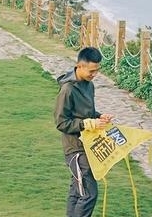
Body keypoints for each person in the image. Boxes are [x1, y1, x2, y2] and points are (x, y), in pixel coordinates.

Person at [54, 47, 113, 217]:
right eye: (91, 71)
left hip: (88, 145)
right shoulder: (67, 90)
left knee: (77, 190)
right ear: (79, 66)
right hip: (75, 150)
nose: (94, 74)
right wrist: (87, 123)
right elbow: (61, 122)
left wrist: (100, 117)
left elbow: (87, 113)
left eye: (97, 71)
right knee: (88, 194)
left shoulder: (89, 86)